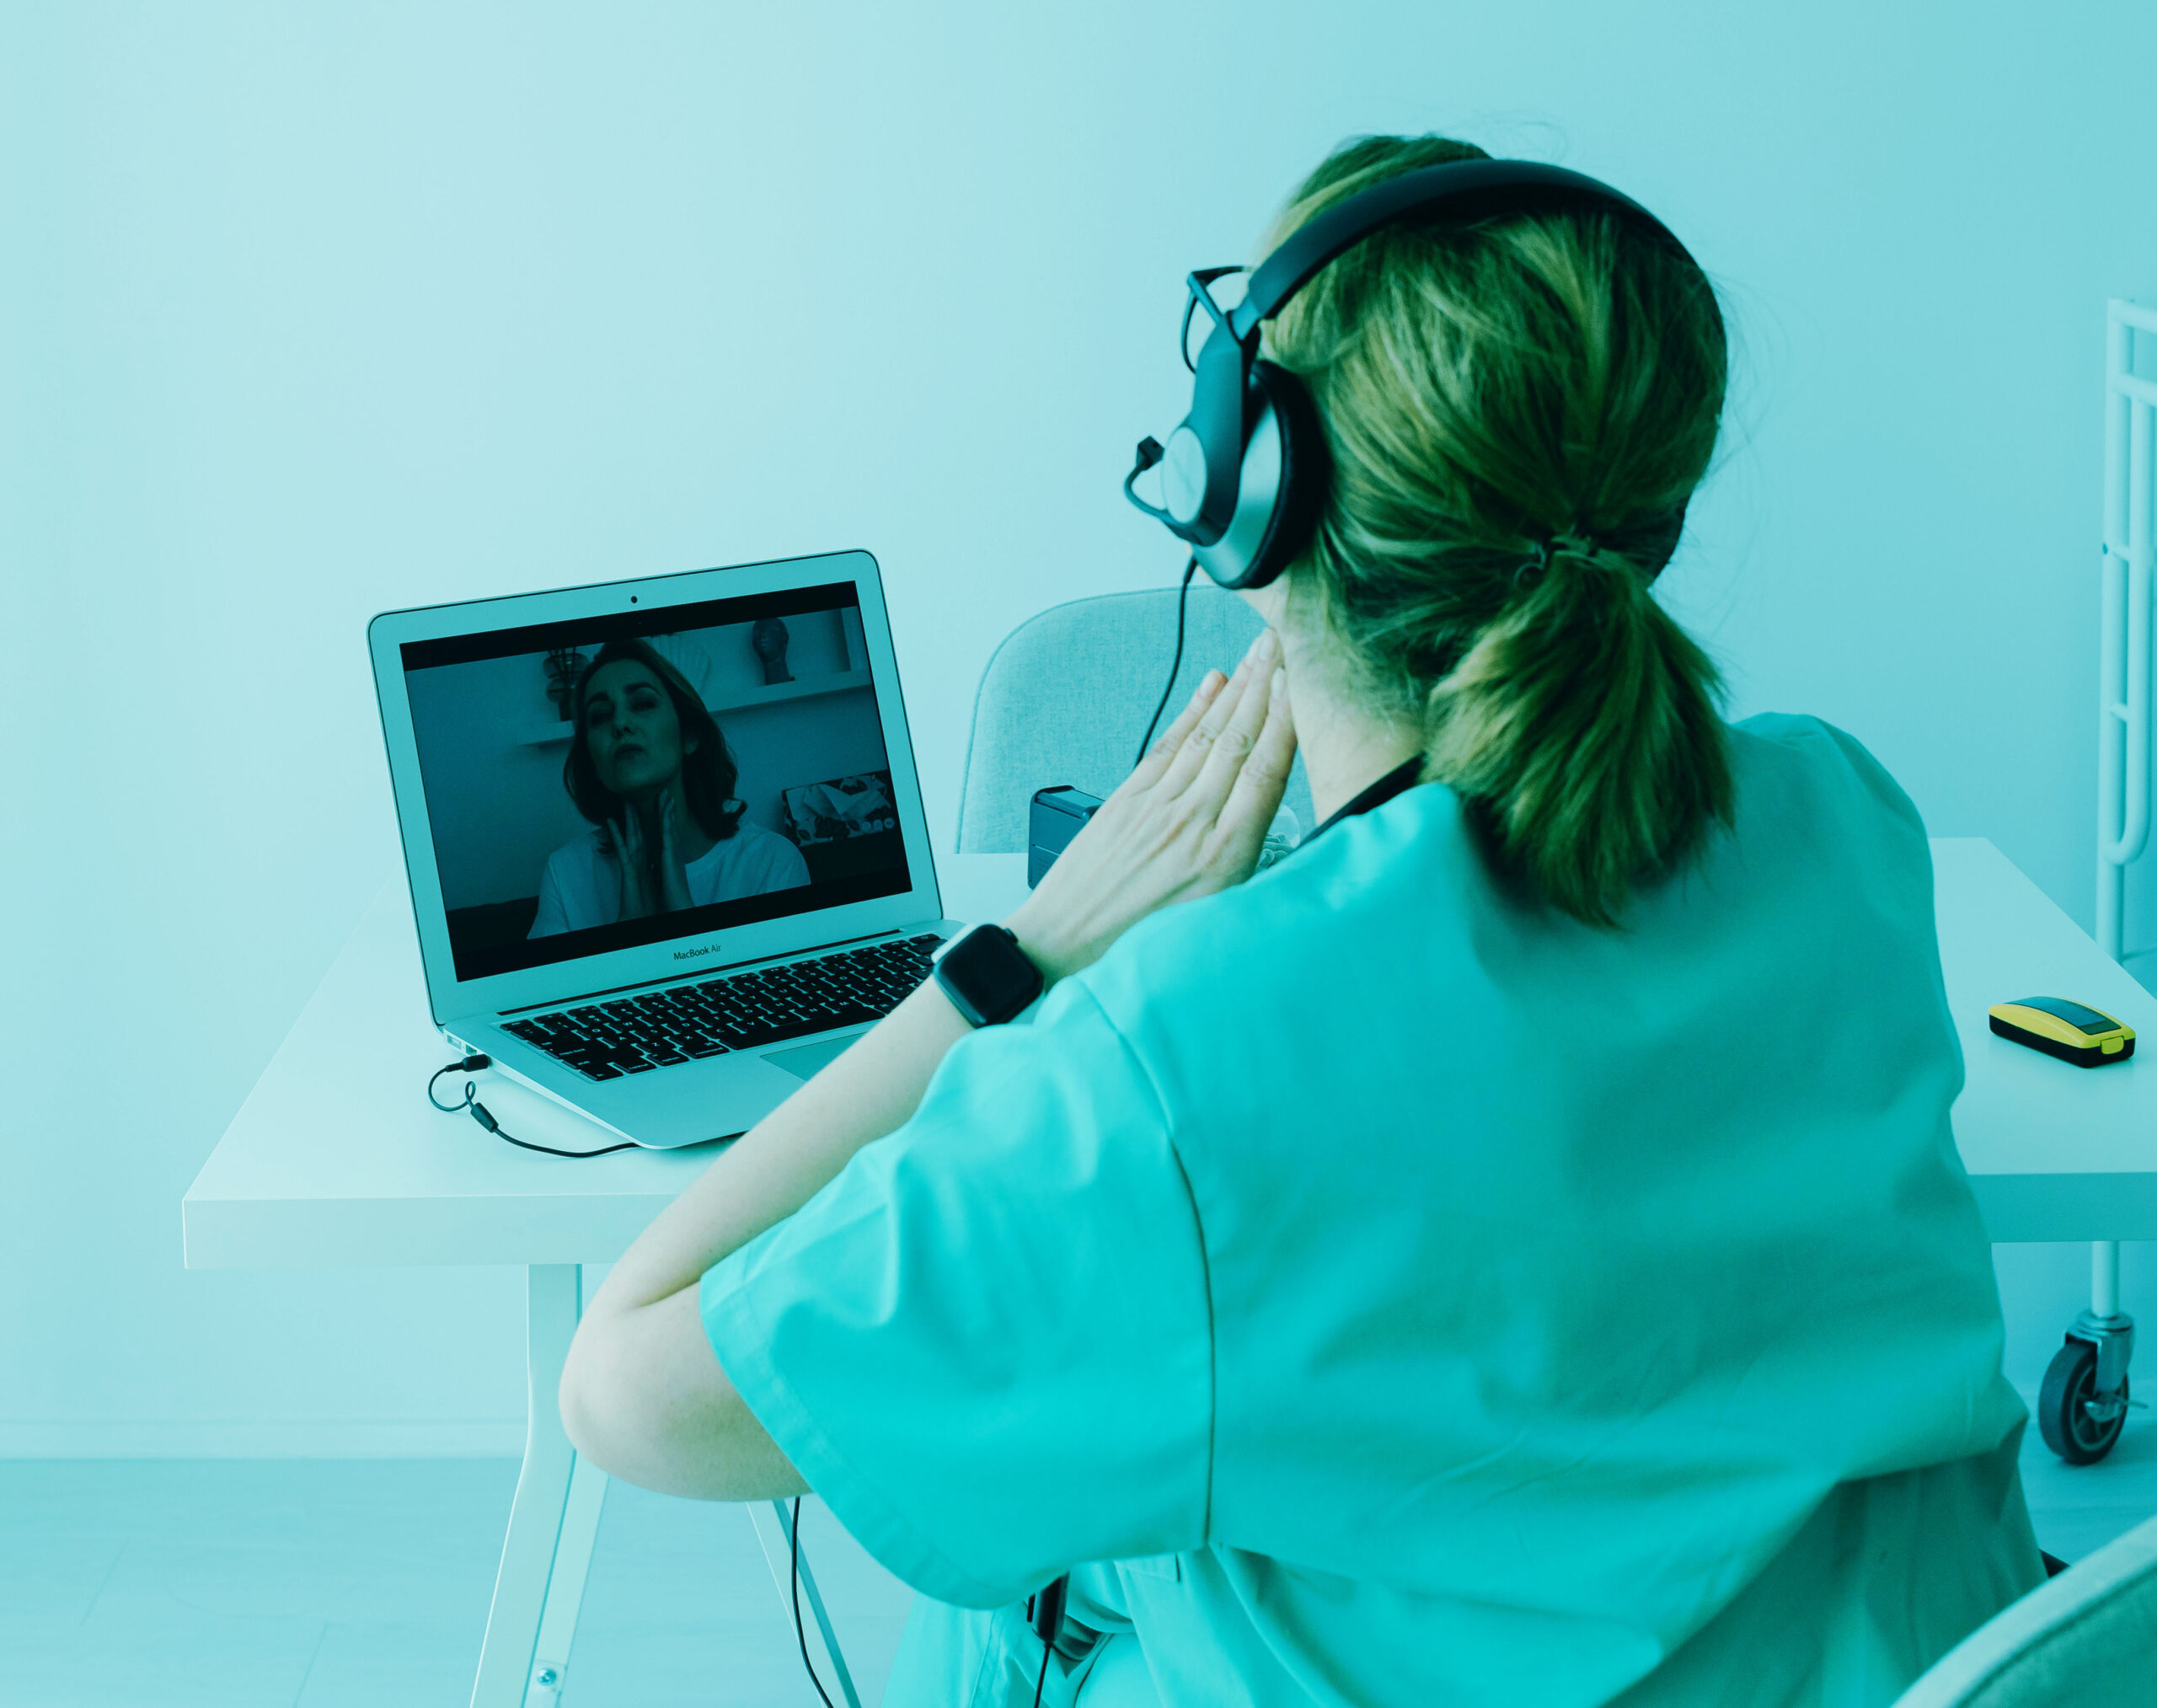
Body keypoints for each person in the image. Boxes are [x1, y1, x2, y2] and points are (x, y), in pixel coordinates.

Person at [555, 135, 2042, 1706]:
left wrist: (1021, 959)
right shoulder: (1839, 822)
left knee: (1033, 1585)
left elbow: (623, 1388)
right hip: (1889, 1667)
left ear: (1251, 484)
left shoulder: (1176, 1060)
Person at [528, 638, 808, 937]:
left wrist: (683, 920)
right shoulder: (566, 875)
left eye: (643, 703)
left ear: (688, 734)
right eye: (600, 716)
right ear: (592, 761)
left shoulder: (771, 863)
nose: (620, 723)